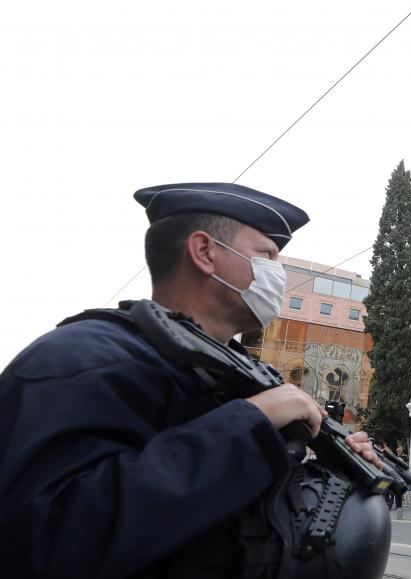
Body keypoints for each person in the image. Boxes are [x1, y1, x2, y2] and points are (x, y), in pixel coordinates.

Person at [0, 182, 386, 578]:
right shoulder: (82, 359)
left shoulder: (250, 377)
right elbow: (46, 540)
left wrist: (330, 466)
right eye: (267, 255)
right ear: (204, 252)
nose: (279, 274)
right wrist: (248, 424)